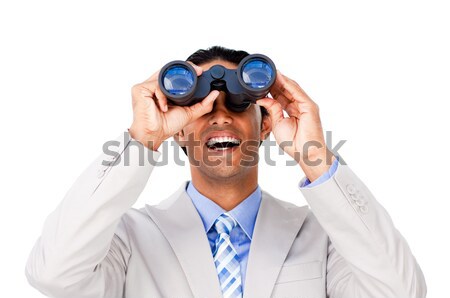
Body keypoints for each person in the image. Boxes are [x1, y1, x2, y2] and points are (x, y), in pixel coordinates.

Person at [25, 46, 427, 298]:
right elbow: (54, 276)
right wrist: (140, 140)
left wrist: (315, 155)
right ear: (179, 131)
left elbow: (401, 291)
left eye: (237, 103)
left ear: (265, 125)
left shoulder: (323, 237)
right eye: (201, 107)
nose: (220, 118)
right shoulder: (130, 239)